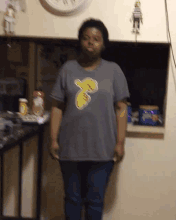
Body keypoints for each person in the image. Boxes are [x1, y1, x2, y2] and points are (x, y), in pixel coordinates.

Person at [49, 18, 130, 220]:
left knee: (95, 202)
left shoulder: (113, 71)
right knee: (72, 200)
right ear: (80, 41)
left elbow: (121, 108)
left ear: (103, 44)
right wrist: (53, 139)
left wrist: (120, 142)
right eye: (86, 38)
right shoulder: (67, 69)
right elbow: (57, 107)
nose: (90, 42)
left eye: (96, 38)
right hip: (70, 149)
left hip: (102, 151)